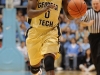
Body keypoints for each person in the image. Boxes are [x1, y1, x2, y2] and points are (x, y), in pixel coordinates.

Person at [26, 0, 78, 75]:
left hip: (51, 31)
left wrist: (75, 13)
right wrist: (44, 9)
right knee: (34, 69)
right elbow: (29, 13)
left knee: (49, 62)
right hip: (35, 32)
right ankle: (37, 71)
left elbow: (68, 15)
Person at [79, 0, 100, 75]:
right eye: (94, 4)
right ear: (91, 4)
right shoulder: (88, 12)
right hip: (93, 36)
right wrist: (88, 23)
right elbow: (81, 23)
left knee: (98, 55)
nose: (95, 5)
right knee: (94, 57)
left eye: (97, 3)